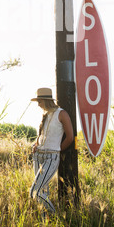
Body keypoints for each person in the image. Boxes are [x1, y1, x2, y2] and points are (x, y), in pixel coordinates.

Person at [29, 87, 74, 215]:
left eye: (39, 101)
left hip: (51, 157)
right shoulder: (45, 115)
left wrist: (57, 150)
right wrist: (36, 144)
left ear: (46, 100)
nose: (38, 105)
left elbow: (70, 137)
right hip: (38, 156)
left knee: (35, 192)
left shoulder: (62, 114)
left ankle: (55, 217)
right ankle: (45, 224)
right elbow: (42, 135)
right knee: (42, 192)